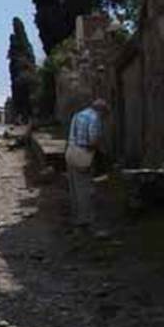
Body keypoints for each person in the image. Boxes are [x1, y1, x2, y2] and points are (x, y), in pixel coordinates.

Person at [65, 98, 108, 230]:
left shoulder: (77, 115)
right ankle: (86, 219)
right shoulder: (95, 118)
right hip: (83, 154)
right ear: (101, 110)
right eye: (104, 114)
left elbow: (72, 135)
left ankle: (76, 216)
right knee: (84, 188)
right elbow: (93, 140)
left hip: (70, 152)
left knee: (74, 188)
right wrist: (101, 151)